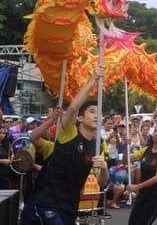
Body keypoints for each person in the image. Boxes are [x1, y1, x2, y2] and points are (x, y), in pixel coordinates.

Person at [21, 66, 109, 225]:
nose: (97, 115)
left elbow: (102, 182)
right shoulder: (68, 132)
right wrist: (93, 79)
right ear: (80, 119)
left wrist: (104, 168)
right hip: (45, 203)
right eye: (92, 111)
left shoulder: (97, 147)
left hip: (69, 208)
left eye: (99, 112)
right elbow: (74, 107)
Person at [127, 123, 157, 225]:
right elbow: (128, 159)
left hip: (155, 196)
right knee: (132, 222)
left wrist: (137, 187)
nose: (156, 134)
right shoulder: (146, 150)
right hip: (143, 194)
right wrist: (128, 145)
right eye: (155, 131)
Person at [0, 125, 11, 189]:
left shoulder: (7, 145)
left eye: (3, 133)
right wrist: (2, 161)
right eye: (0, 133)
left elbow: (10, 157)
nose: (1, 135)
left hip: (4, 176)